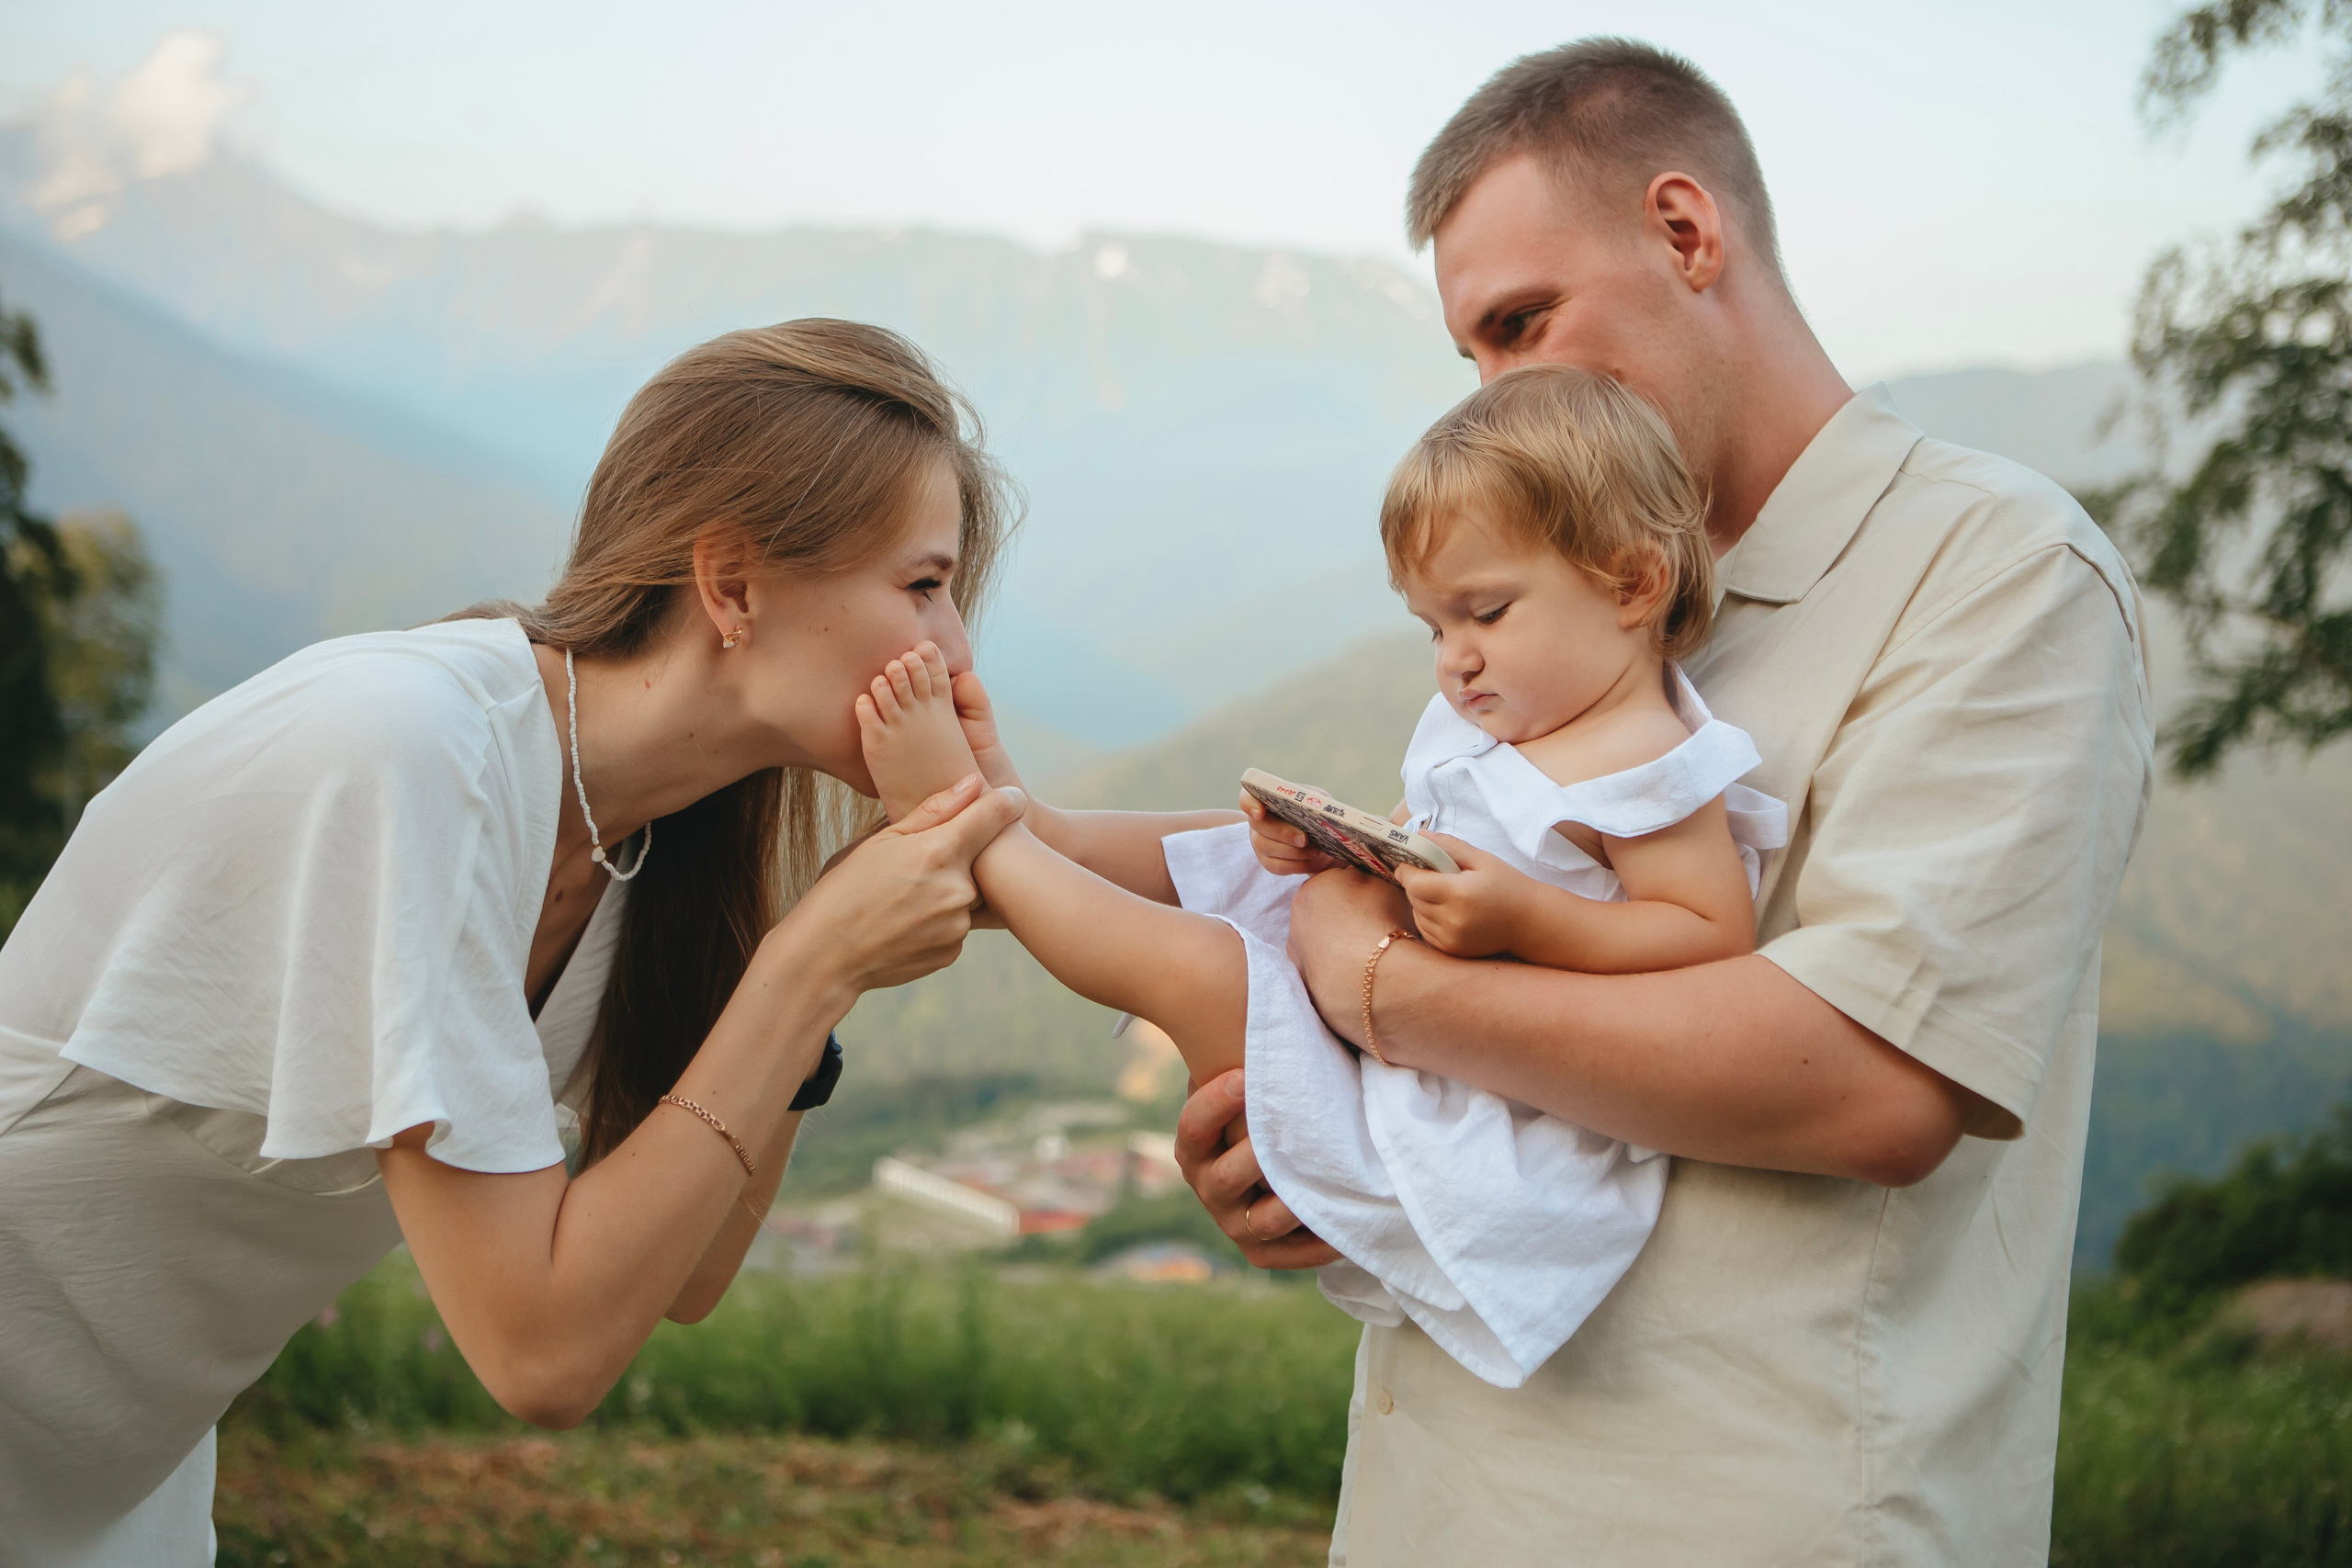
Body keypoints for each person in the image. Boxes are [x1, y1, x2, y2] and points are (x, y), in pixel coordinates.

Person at [1173, 39, 2153, 1565]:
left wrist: (1382, 992)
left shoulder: (2000, 578)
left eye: (1521, 324)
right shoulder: (1552, 596)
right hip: (1431, 1511)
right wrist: (1317, 1155)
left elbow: (1871, 1084)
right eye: (1472, 360)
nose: (1499, 397)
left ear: (1688, 235)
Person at [0, 320, 1061, 1566]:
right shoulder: (408, 757)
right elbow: (541, 1349)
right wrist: (814, 958)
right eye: (924, 586)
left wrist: (832, 960)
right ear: (729, 583)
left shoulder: (650, 839)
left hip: (113, 1489)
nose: (956, 651)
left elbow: (686, 1267)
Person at [853, 364, 1786, 1388]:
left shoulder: (1645, 761)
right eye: (1435, 627)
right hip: (1413, 1021)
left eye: (1486, 612)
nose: (1455, 659)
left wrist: (1526, 919)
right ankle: (1031, 827)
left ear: (1630, 583)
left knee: (1203, 967)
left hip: (1480, 1120)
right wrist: (1340, 847)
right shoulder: (1515, 716)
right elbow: (1437, 838)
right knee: (1223, 860)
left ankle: (979, 839)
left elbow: (1706, 935)